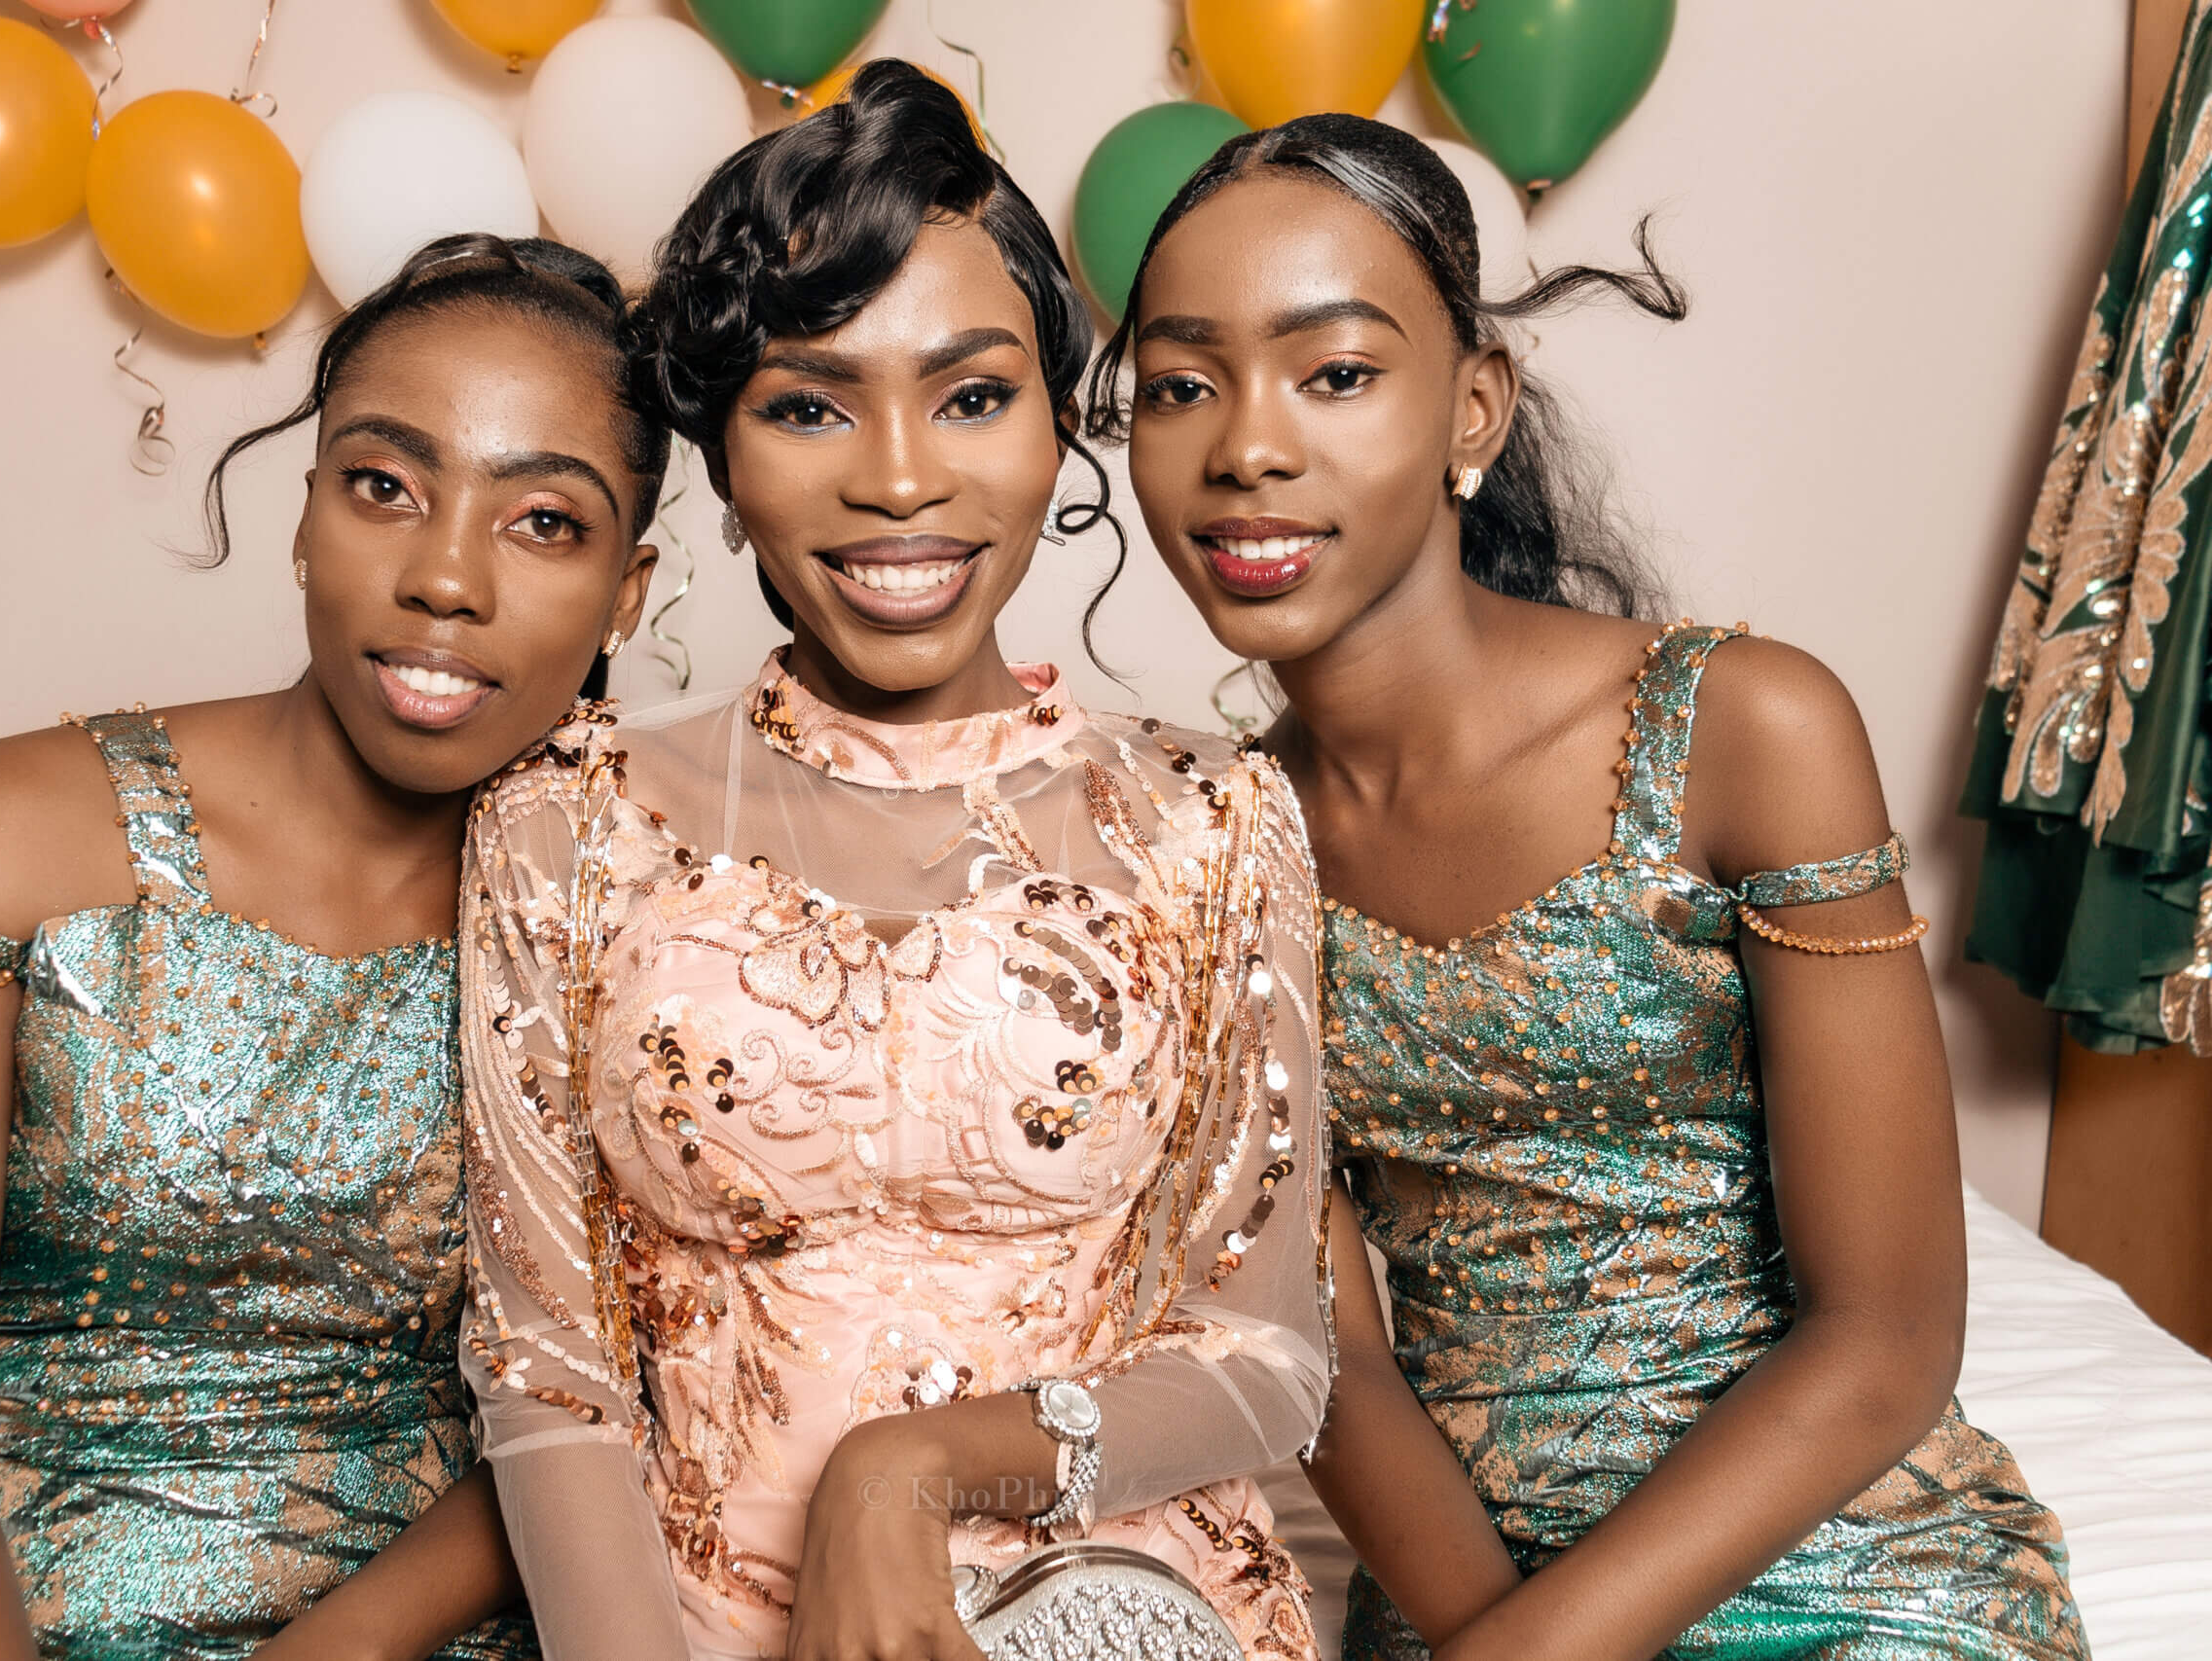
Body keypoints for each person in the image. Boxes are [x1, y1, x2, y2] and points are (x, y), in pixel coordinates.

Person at [1094, 115, 2089, 1661]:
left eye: (1335, 373)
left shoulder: (1746, 730)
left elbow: (1888, 1338)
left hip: (1852, 1574)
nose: (1247, 449)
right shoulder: (1207, 852)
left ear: (1472, 408)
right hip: (1467, 1597)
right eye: (1178, 386)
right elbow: (1334, 1364)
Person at [456, 62, 1327, 1661]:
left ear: (1058, 427)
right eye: (809, 405)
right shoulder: (566, 822)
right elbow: (546, 1372)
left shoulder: (1213, 822)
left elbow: (1264, 1360)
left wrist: (911, 1472)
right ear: (725, 459)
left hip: (1124, 1618)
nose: (901, 477)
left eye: (972, 396)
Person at [0, 234, 665, 1661]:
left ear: (628, 590)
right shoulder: (8, 832)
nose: (445, 577)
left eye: (544, 521)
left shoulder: (647, 916)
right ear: (305, 516)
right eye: (385, 486)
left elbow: (632, 1397)